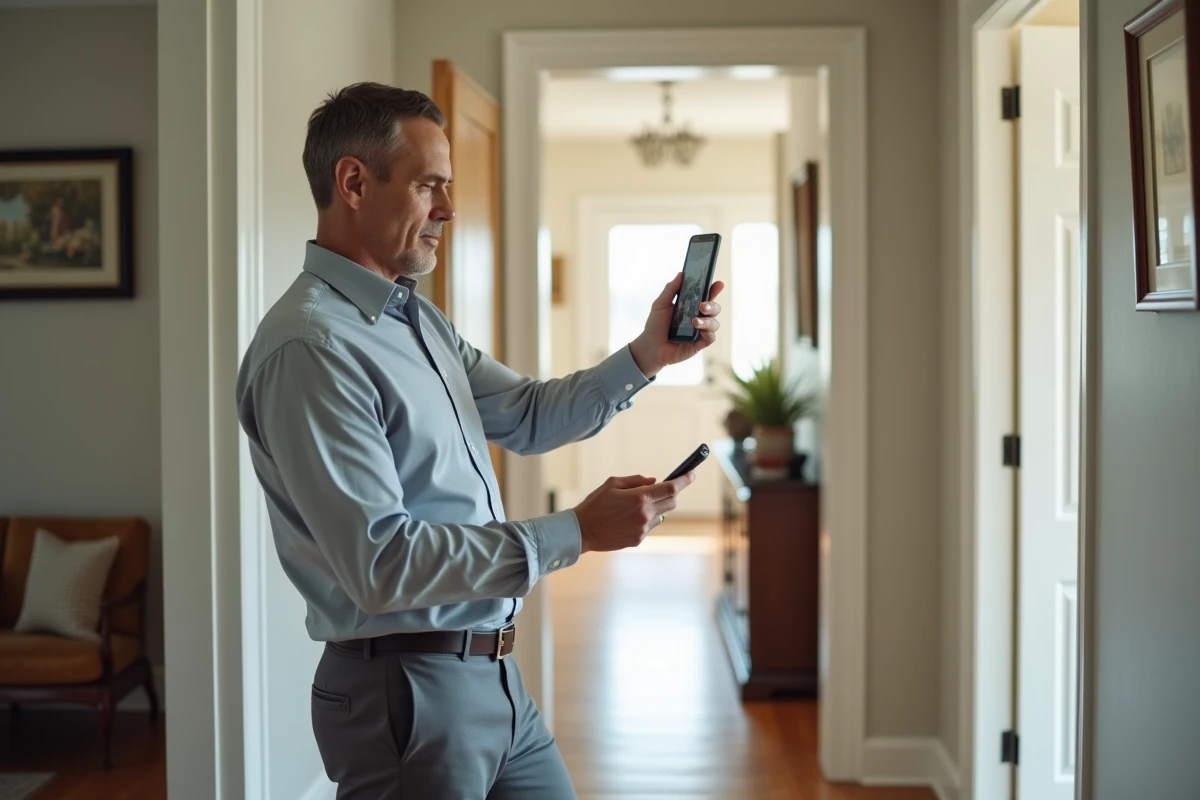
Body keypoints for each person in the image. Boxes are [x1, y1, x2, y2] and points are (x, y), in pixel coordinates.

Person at [235, 81, 724, 799]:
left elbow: (527, 413)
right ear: (354, 183)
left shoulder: (417, 322)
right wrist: (576, 531)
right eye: (430, 185)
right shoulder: (312, 348)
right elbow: (381, 563)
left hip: (493, 680)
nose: (449, 209)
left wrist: (648, 354)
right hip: (405, 696)